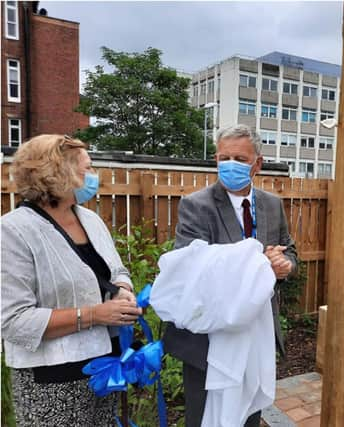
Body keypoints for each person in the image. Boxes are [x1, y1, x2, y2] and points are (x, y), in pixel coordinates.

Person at [1, 134, 142, 426]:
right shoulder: (13, 232)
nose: (93, 176)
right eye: (87, 169)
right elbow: (13, 321)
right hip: (52, 379)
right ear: (58, 172)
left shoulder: (90, 219)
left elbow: (116, 271)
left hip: (103, 366)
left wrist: (124, 291)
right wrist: (94, 315)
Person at [163, 124, 297, 427]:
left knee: (250, 413)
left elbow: (291, 252)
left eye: (240, 158)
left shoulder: (272, 205)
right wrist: (260, 266)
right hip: (210, 339)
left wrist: (285, 265)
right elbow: (193, 271)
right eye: (224, 158)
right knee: (204, 417)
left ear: (257, 164)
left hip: (257, 334)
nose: (230, 165)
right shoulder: (196, 205)